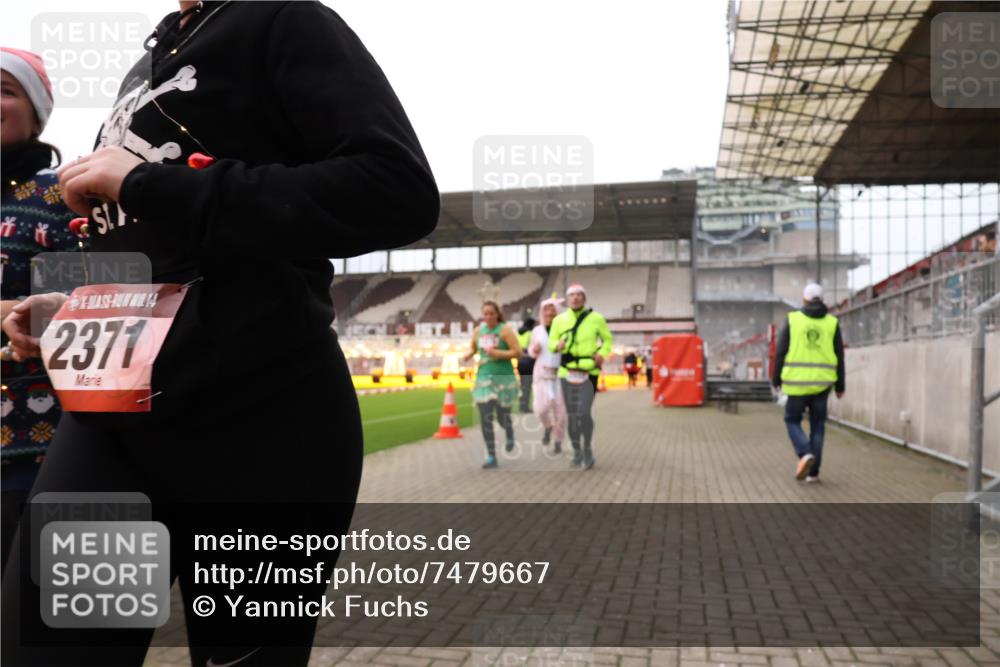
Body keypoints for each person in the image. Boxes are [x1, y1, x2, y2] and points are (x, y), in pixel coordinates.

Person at [1, 2, 439, 665]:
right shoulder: (146, 67)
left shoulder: (284, 19)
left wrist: (148, 182)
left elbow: (396, 190)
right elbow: (165, 247)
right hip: (116, 413)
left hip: (261, 414)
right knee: (48, 652)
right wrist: (76, 306)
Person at [0, 48, 79, 572]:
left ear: (36, 112)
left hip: (36, 455)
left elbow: (84, 313)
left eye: (5, 89)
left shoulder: (63, 196)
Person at [772, 282, 845, 483]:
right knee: (818, 426)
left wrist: (776, 378)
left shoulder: (793, 320)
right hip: (822, 386)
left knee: (792, 420)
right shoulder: (832, 323)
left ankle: (804, 453)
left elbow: (781, 352)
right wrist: (840, 386)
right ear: (822, 300)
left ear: (804, 299)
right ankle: (813, 473)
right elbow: (839, 355)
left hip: (796, 384)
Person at [548, 283, 612, 469]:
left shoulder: (596, 318)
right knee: (573, 414)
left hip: (589, 371)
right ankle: (576, 450)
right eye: (572, 295)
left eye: (579, 295)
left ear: (584, 298)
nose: (575, 298)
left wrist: (602, 353)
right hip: (567, 372)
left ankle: (587, 448)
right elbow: (551, 341)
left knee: (584, 412)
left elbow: (607, 339)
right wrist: (556, 345)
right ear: (567, 299)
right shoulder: (559, 320)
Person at [464, 301, 521, 468]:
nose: (488, 316)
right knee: (485, 416)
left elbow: (518, 352)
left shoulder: (505, 331)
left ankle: (509, 431)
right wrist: (468, 355)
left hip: (503, 378)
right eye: (485, 313)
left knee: (503, 416)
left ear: (497, 314)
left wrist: (498, 353)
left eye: (491, 313)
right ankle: (491, 455)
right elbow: (474, 349)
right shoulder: (478, 331)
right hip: (483, 378)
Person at [529, 296, 567, 454]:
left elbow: (569, 351)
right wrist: (534, 350)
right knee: (541, 409)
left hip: (559, 375)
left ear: (558, 312)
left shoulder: (563, 331)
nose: (549, 313)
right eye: (546, 310)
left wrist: (563, 347)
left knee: (561, 412)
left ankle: (558, 441)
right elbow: (531, 351)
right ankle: (547, 427)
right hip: (541, 374)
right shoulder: (537, 331)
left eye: (552, 310)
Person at [516, 316, 536, 413]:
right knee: (527, 386)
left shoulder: (519, 333)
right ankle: (525, 407)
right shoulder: (530, 334)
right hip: (529, 362)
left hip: (520, 362)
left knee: (522, 385)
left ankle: (521, 406)